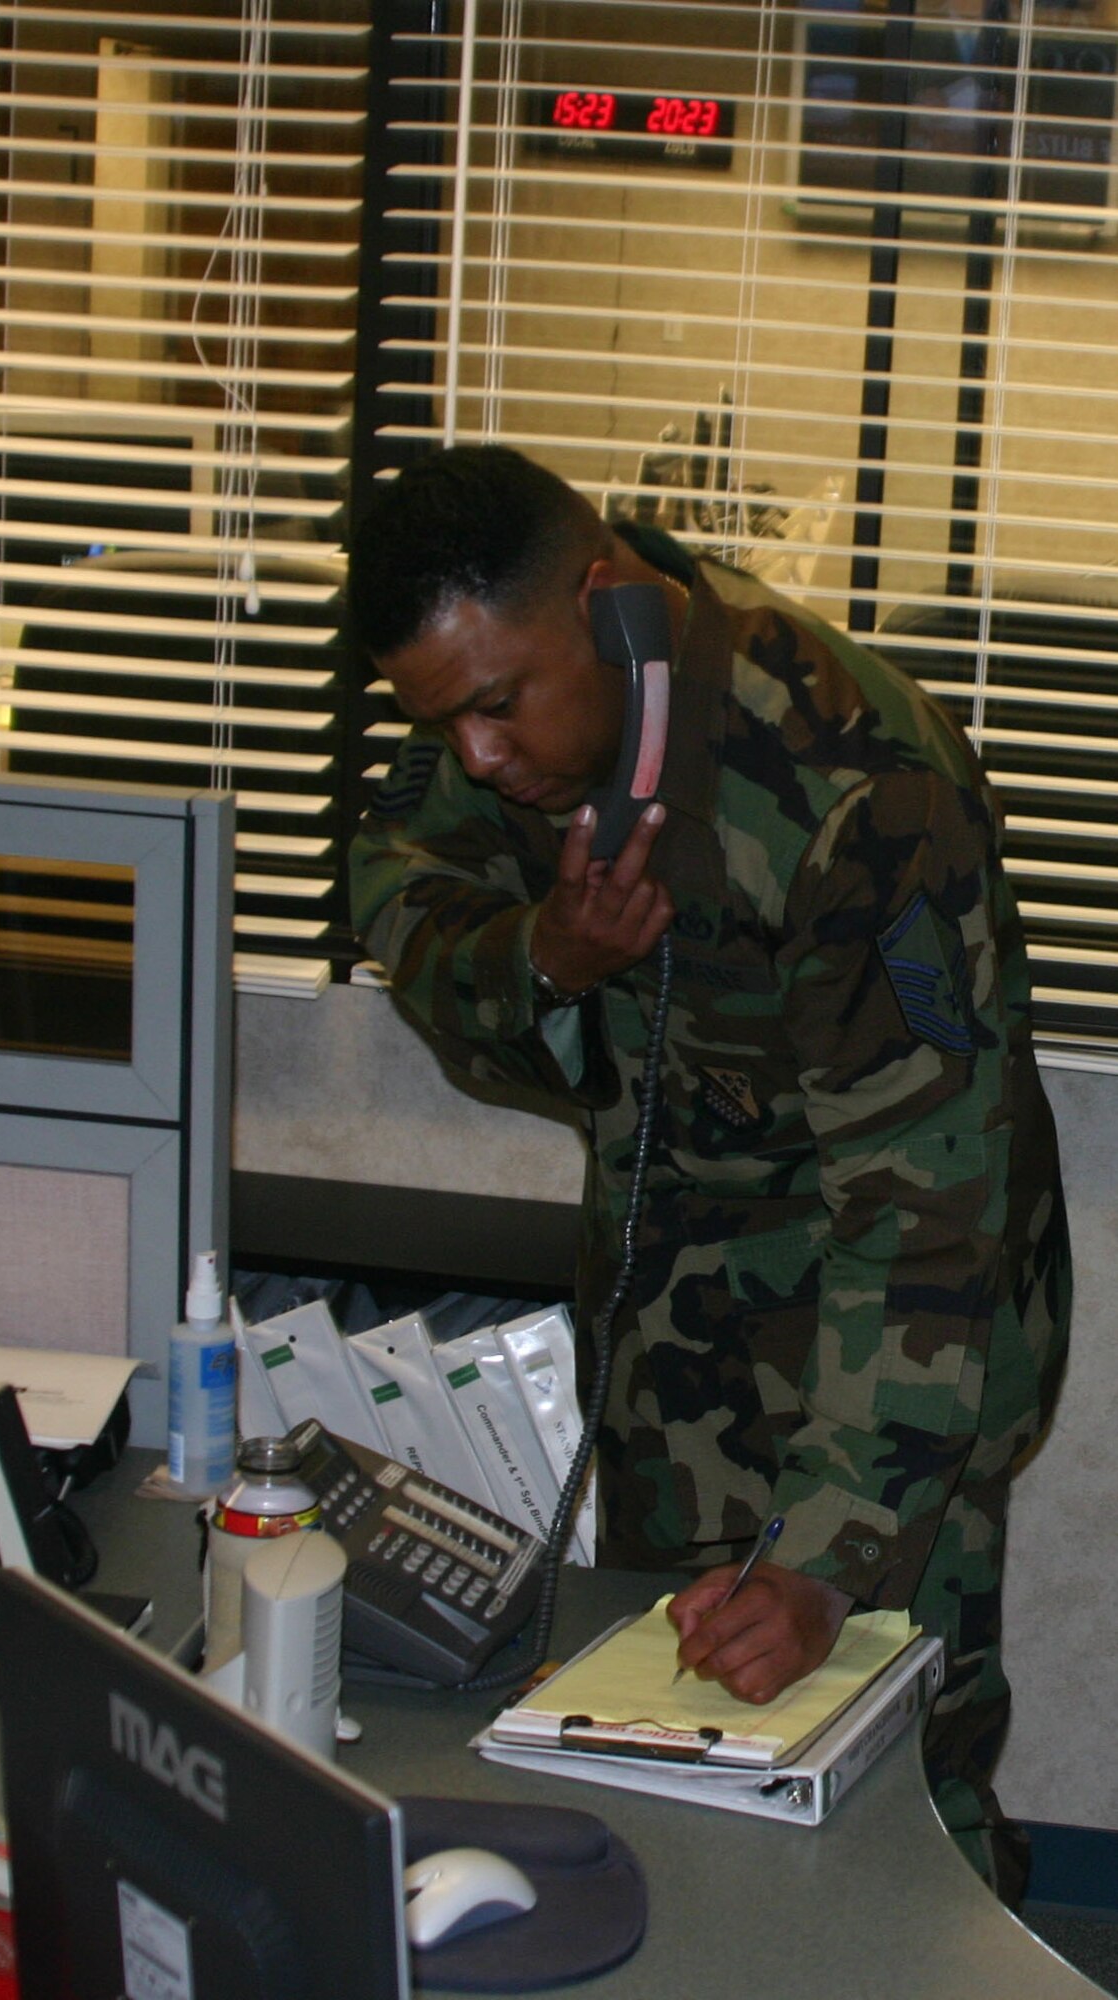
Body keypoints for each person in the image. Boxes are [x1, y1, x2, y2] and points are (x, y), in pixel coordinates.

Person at [347, 444, 1071, 1905]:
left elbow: (927, 1214)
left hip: (889, 1370)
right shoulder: (516, 715)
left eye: (493, 708)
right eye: (443, 720)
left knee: (892, 1799)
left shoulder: (853, 785)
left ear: (608, 605)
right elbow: (399, 887)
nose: (479, 758)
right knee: (681, 1778)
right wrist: (542, 956)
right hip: (673, 1327)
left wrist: (826, 1551)